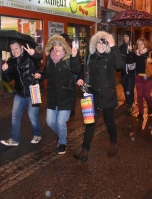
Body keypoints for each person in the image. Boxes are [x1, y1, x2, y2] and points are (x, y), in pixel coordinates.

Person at [73, 31, 124, 161]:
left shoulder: (110, 56)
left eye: (103, 43)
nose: (101, 45)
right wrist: (80, 78)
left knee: (109, 121)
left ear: (106, 44)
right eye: (98, 43)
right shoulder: (91, 57)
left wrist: (114, 47)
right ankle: (85, 150)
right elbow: (83, 71)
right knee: (90, 122)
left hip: (108, 95)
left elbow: (120, 65)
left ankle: (114, 143)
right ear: (94, 44)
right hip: (93, 94)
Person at [34, 35, 81, 154]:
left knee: (60, 122)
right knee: (50, 122)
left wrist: (75, 57)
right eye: (55, 45)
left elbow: (77, 70)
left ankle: (63, 143)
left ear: (63, 46)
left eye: (59, 45)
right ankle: (62, 135)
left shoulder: (69, 58)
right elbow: (46, 73)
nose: (57, 47)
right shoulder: (50, 59)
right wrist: (40, 76)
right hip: (53, 96)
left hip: (66, 96)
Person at [0, 41, 42, 146]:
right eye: (12, 49)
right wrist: (4, 71)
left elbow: (40, 60)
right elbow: (9, 79)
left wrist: (34, 54)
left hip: (34, 90)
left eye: (16, 48)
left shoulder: (29, 56)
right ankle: (14, 139)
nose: (14, 51)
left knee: (32, 116)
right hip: (19, 92)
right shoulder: (10, 62)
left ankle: (37, 134)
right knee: (15, 115)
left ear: (21, 47)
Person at [129, 38, 152, 119]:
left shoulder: (150, 52)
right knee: (139, 95)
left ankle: (150, 106)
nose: (140, 46)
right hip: (138, 76)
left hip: (148, 77)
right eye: (138, 44)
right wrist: (130, 52)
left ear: (145, 44)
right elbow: (129, 61)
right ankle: (141, 113)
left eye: (142, 44)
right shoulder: (135, 53)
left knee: (146, 95)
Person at [119, 31, 135, 115]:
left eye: (127, 36)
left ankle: (130, 104)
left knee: (129, 88)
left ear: (131, 37)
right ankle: (128, 99)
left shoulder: (134, 47)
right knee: (125, 89)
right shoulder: (121, 47)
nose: (125, 38)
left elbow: (135, 59)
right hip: (124, 72)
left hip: (132, 73)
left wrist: (131, 52)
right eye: (124, 36)